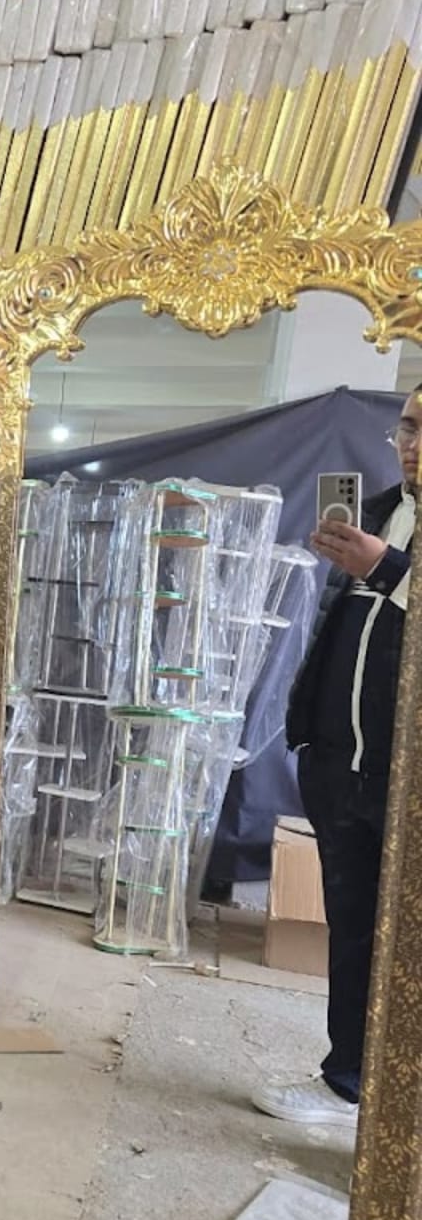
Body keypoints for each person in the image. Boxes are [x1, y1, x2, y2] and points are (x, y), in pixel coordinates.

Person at [253, 384, 421, 1126]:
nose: (414, 444)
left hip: (409, 779)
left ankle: (399, 1105)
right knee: (353, 931)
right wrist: (312, 743)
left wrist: (391, 569)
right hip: (338, 767)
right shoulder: (374, 511)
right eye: (407, 428)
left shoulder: (381, 544)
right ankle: (346, 1082)